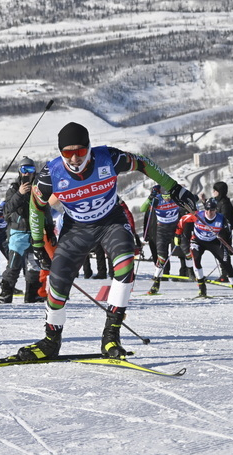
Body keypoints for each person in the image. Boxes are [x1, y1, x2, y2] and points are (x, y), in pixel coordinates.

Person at [16, 122, 198, 361]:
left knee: (124, 267)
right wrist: (38, 244)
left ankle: (111, 336)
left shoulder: (109, 157)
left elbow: (143, 163)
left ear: (89, 148)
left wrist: (174, 188)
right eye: (67, 153)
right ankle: (51, 341)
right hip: (77, 228)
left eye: (79, 151)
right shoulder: (51, 174)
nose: (74, 158)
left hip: (111, 221)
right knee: (58, 282)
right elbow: (35, 208)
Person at [186, 197, 233, 297]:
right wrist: (179, 235)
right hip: (198, 241)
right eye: (207, 209)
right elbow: (182, 221)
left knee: (226, 263)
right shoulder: (198, 215)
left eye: (212, 209)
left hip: (213, 242)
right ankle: (202, 289)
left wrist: (229, 247)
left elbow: (228, 233)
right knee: (196, 258)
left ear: (216, 209)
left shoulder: (222, 219)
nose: (209, 212)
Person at [0, 158, 42, 303]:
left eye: (30, 170)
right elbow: (6, 210)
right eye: (24, 170)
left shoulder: (38, 187)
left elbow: (45, 209)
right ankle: (5, 294)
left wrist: (48, 227)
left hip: (35, 232)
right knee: (13, 266)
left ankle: (32, 295)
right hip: (18, 232)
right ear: (19, 171)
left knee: (34, 267)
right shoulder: (13, 188)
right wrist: (20, 193)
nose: (27, 174)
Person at [143, 184, 182, 294]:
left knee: (179, 251)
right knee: (159, 256)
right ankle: (158, 280)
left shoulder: (171, 201)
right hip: (155, 233)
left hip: (171, 230)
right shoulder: (155, 202)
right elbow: (146, 217)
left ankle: (171, 273)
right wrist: (145, 235)